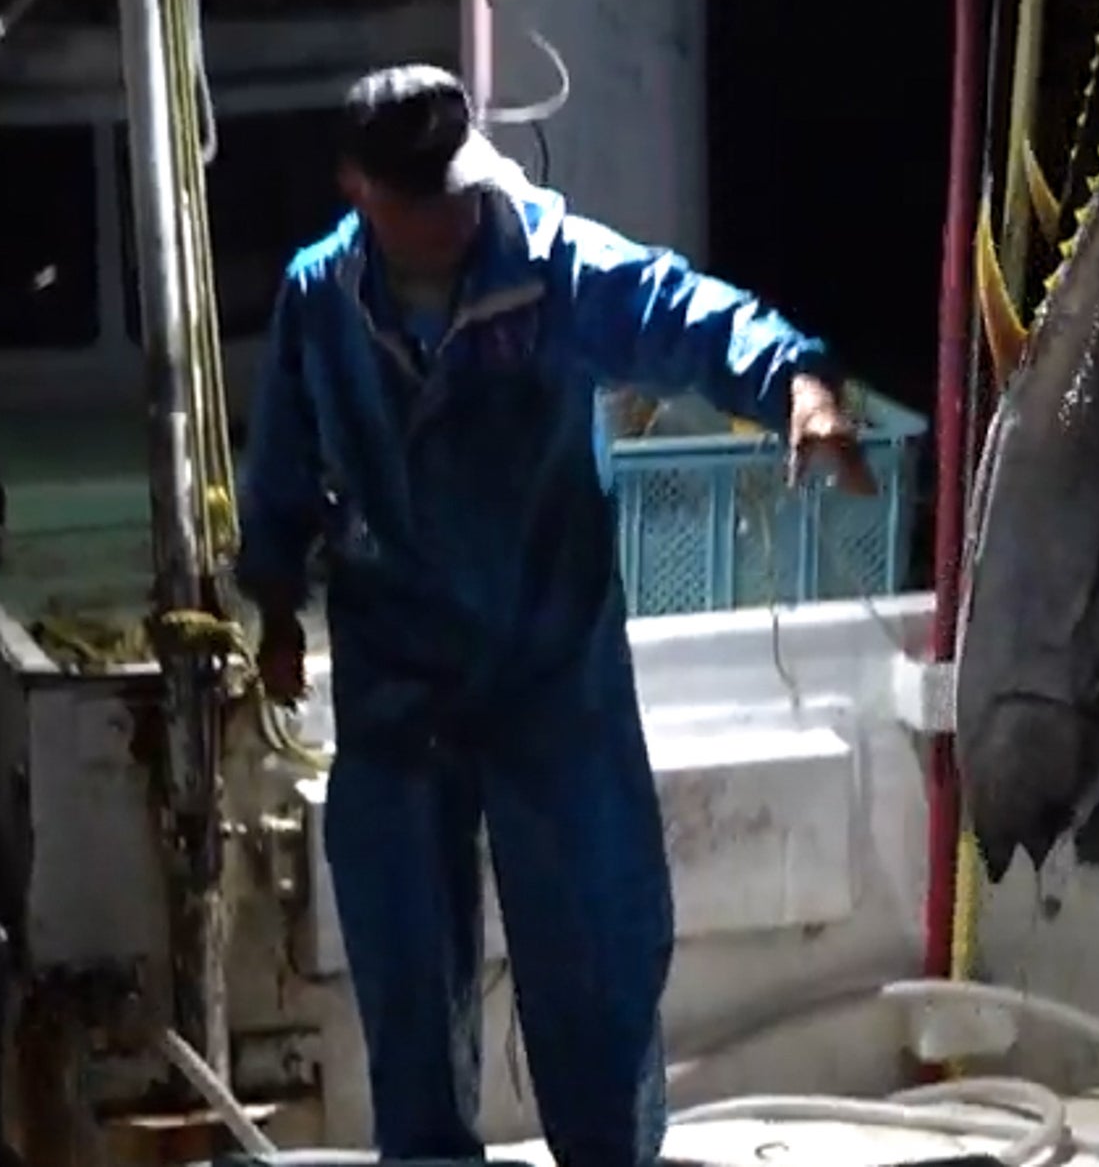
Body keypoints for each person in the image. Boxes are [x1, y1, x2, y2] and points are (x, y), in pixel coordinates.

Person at [234, 64, 877, 1166]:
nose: (454, 214)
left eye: (459, 185)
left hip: (549, 670)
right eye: (423, 197)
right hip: (397, 676)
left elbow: (681, 311)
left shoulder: (551, 265)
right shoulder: (319, 296)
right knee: (403, 963)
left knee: (596, 955)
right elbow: (285, 462)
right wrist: (278, 605)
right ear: (359, 189)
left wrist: (797, 384)